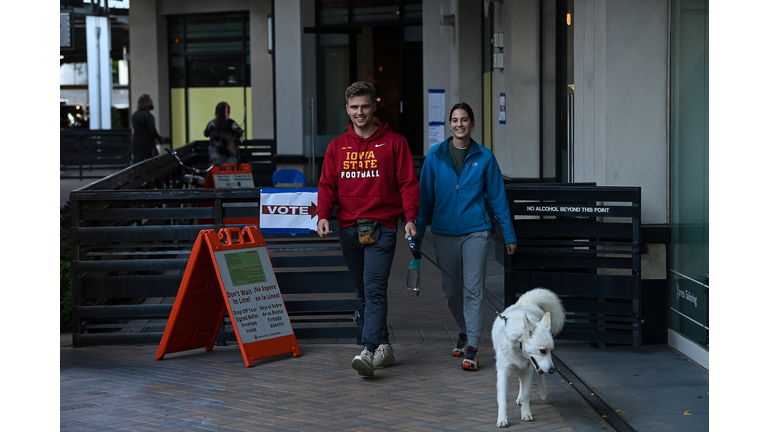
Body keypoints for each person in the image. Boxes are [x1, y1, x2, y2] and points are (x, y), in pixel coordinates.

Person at [317, 81, 420, 377]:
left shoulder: (394, 142)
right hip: (348, 226)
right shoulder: (336, 147)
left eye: (364, 106)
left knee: (374, 289)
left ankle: (368, 349)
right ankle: (384, 348)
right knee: (363, 292)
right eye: (354, 107)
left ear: (374, 107)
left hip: (383, 227)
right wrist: (323, 214)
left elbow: (408, 185)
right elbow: (326, 184)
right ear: (347, 109)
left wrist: (410, 218)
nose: (359, 112)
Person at [415, 102, 517, 372]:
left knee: (473, 290)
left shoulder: (484, 157)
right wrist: (417, 234)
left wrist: (508, 234)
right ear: (449, 124)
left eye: (464, 120)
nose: (459, 124)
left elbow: (497, 199)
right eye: (455, 120)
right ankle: (464, 330)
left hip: (476, 232)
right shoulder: (435, 156)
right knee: (451, 293)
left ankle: (473, 346)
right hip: (444, 233)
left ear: (472, 124)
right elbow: (424, 201)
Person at [131, 94, 163, 163]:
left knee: (137, 166)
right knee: (156, 163)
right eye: (150, 101)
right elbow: (152, 130)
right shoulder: (148, 116)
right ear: (146, 102)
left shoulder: (134, 115)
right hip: (148, 145)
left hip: (137, 145)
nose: (152, 102)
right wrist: (159, 138)